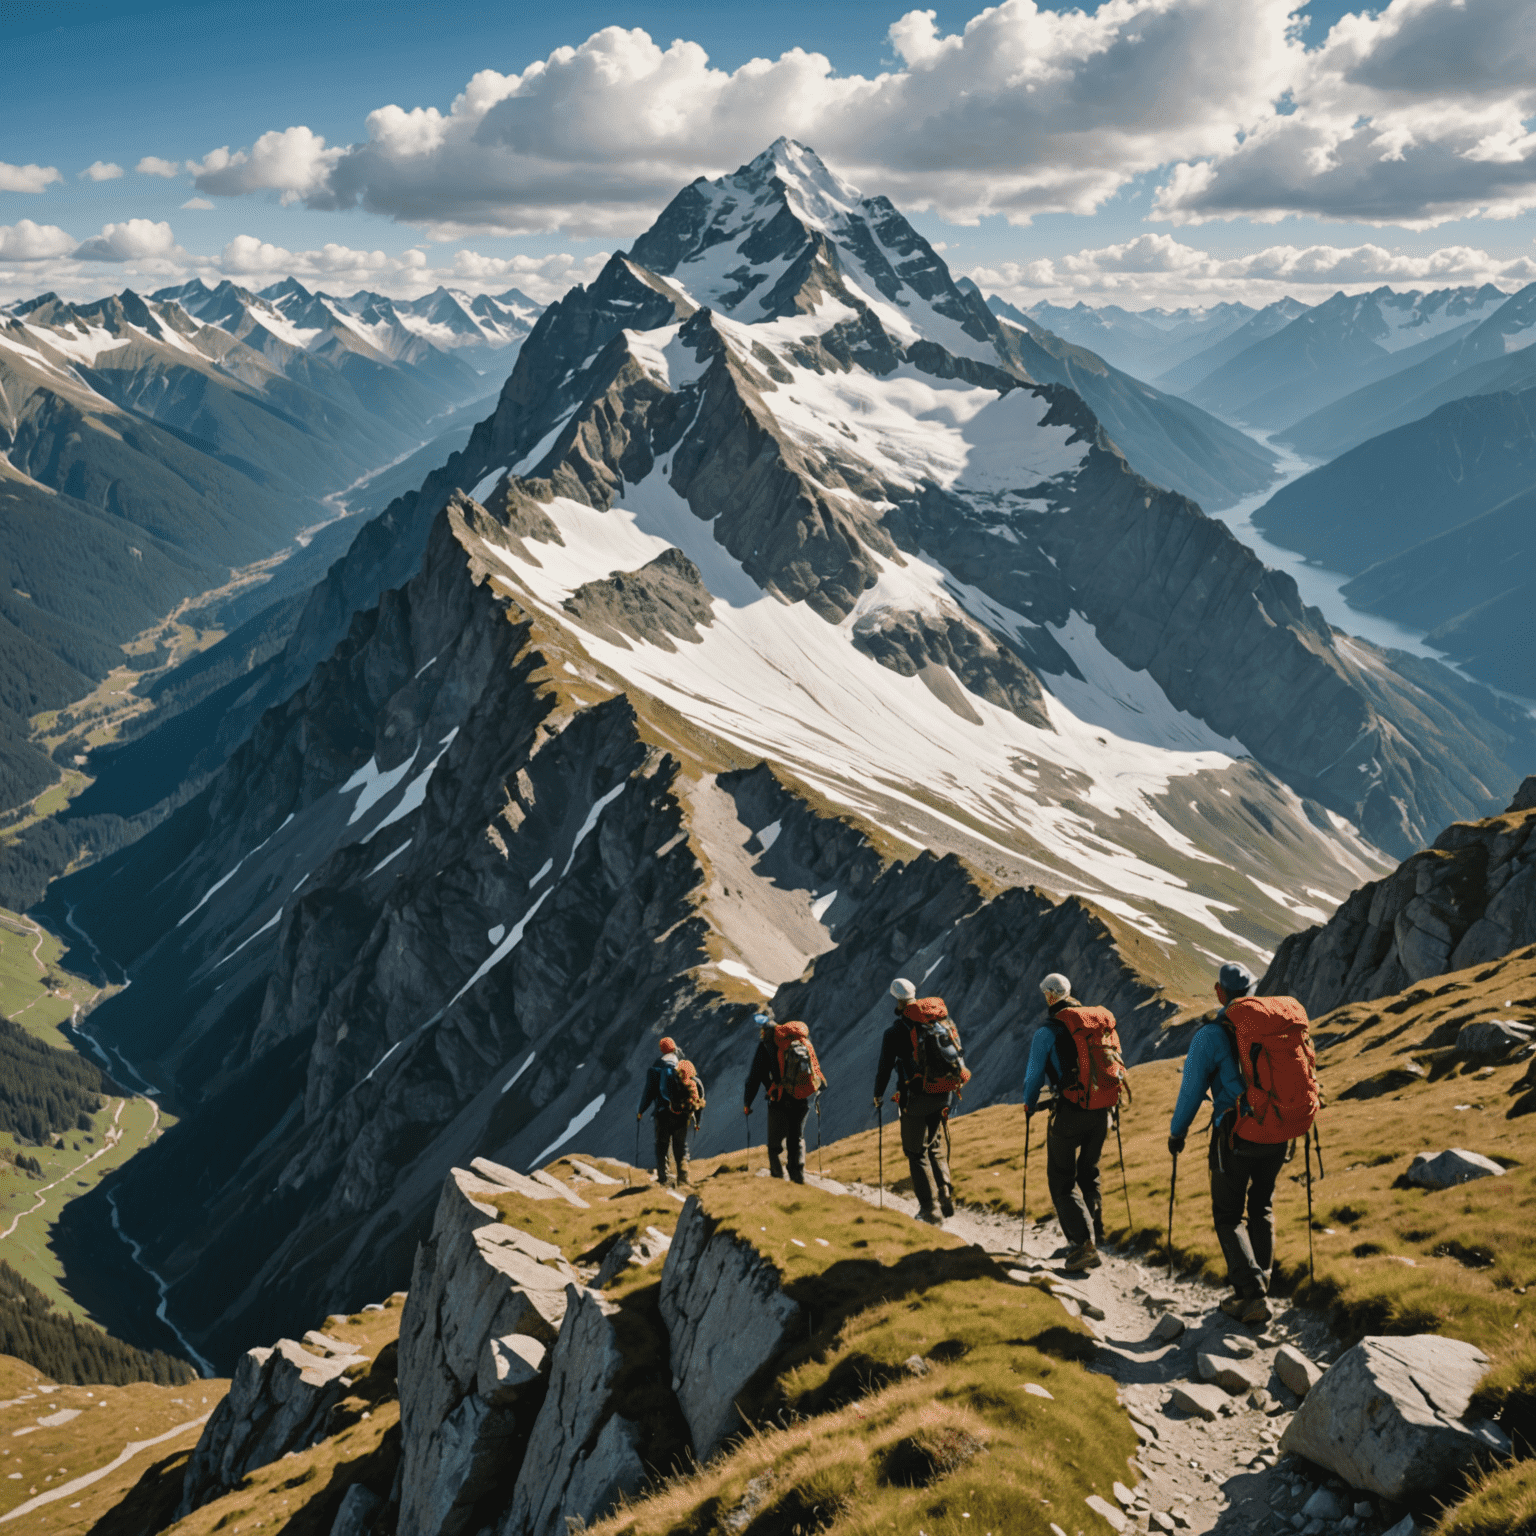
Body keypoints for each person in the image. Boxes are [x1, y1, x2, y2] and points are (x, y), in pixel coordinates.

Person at [1167, 962, 1286, 1323]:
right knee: (1261, 1207)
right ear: (1252, 989)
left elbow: (1191, 1091)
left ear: (1220, 992)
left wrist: (1178, 1133)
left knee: (1228, 1215)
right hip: (1277, 1132)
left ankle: (1251, 1294)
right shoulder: (1272, 1026)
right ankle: (1258, 1285)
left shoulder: (1210, 1035)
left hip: (1235, 1134)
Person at [1022, 972, 1124, 1271]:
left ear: (1051, 996)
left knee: (1062, 1181)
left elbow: (1033, 1078)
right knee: (1088, 1173)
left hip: (1069, 1112)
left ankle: (1083, 1245)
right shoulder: (1097, 1023)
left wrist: (1029, 1104)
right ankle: (1093, 1235)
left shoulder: (1048, 1031)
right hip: (1102, 1111)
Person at [873, 978, 955, 1226]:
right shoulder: (939, 1021)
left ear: (896, 999)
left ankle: (930, 1209)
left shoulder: (895, 1031)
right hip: (943, 1093)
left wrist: (878, 1094)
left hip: (916, 1098)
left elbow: (885, 1067)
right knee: (936, 1144)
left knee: (916, 1151)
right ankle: (945, 1189)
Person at [742, 1012, 823, 1183]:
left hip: (779, 1099)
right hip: (802, 1097)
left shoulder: (766, 1046)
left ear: (766, 1032)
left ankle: (778, 1177)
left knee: (775, 1144)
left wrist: (747, 1103)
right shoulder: (799, 1042)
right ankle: (798, 1175)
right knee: (797, 1137)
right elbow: (814, 1066)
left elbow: (754, 1077)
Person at [637, 1036, 702, 1188]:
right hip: (682, 1114)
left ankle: (663, 1179)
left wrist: (640, 1111)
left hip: (662, 1114)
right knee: (680, 1146)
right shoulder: (682, 1067)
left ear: (662, 1050)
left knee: (662, 1146)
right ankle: (684, 1179)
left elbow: (649, 1093)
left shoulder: (655, 1069)